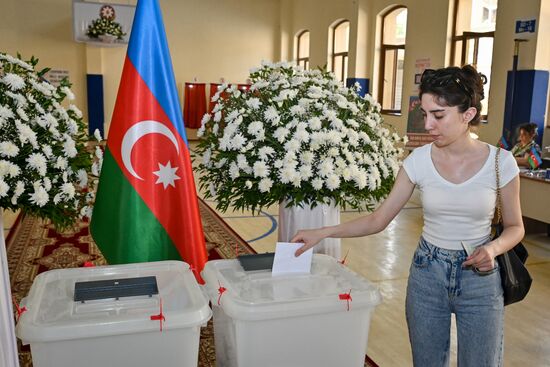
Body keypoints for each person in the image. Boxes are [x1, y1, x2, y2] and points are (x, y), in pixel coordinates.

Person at [292, 65, 524, 366]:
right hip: (428, 274)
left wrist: (492, 249)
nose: (427, 124)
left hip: (480, 279)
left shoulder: (501, 163)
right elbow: (378, 220)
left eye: (438, 115)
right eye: (424, 113)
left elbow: (515, 227)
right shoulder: (419, 161)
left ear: (468, 114)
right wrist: (321, 232)